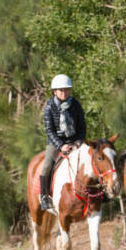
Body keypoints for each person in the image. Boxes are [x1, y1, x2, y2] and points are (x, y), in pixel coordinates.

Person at [40, 75, 87, 210]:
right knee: (47, 165)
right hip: (56, 143)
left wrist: (78, 142)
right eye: (61, 90)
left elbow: (82, 126)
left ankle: (98, 192)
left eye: (66, 90)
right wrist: (61, 145)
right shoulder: (49, 107)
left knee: (91, 159)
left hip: (75, 142)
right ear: (54, 91)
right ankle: (44, 196)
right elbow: (49, 130)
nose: (64, 93)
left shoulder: (75, 104)